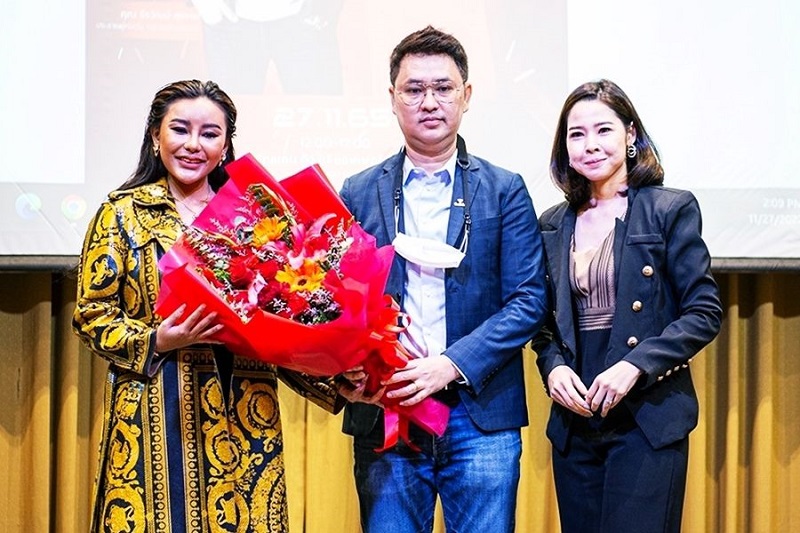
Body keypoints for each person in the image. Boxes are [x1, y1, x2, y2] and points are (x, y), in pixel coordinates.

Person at [72, 79, 343, 532]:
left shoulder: (254, 216)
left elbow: (286, 324)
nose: (193, 145)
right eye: (180, 130)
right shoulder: (122, 213)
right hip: (158, 410)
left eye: (210, 134)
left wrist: (338, 379)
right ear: (155, 136)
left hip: (246, 410)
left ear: (226, 145)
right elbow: (91, 315)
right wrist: (157, 339)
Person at [337, 26, 547, 532]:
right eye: (413, 89)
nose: (429, 102)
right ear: (392, 98)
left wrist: (449, 366)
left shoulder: (504, 189)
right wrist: (347, 370)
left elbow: (529, 299)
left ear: (466, 95)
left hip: (479, 418)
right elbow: (335, 301)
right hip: (385, 411)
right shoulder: (358, 191)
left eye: (443, 88)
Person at [532, 79, 723, 533]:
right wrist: (552, 368)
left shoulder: (669, 208)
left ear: (630, 134)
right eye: (576, 134)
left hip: (646, 421)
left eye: (604, 130)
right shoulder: (551, 223)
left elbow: (704, 311)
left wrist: (635, 365)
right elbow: (541, 322)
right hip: (576, 423)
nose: (590, 144)